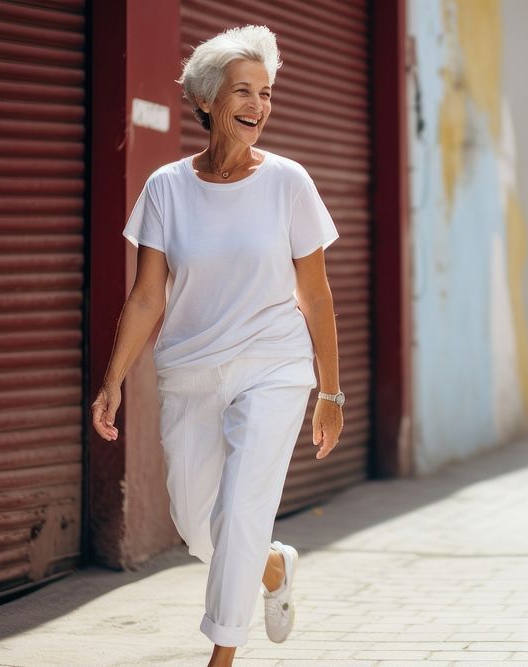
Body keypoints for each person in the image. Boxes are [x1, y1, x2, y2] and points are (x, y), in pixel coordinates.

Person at [89, 24, 344, 667]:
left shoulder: (289, 183)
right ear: (206, 101)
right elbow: (148, 297)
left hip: (274, 365)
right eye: (242, 92)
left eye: (265, 92)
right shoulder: (167, 190)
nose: (258, 105)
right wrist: (114, 378)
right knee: (200, 523)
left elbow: (315, 295)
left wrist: (330, 390)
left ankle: (222, 656)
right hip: (191, 369)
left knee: (242, 504)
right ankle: (270, 566)